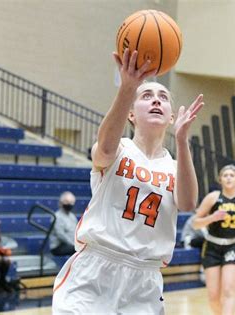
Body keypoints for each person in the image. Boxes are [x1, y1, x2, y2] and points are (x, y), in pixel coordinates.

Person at [52, 48, 203, 314]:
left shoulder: (174, 166)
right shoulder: (118, 149)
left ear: (171, 117)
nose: (156, 100)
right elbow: (104, 152)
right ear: (131, 114)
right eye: (146, 96)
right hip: (95, 269)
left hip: (144, 279)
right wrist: (127, 88)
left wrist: (182, 140)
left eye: (163, 97)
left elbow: (189, 202)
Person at [192, 164, 235, 315]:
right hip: (212, 247)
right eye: (225, 175)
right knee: (213, 296)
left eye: (232, 175)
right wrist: (212, 217)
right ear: (220, 180)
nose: (228, 178)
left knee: (228, 291)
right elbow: (195, 223)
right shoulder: (213, 197)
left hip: (234, 246)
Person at [49, 191, 78, 256]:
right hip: (58, 247)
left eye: (71, 202)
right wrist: (73, 244)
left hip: (71, 244)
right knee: (77, 249)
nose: (69, 204)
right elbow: (60, 234)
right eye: (67, 202)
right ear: (61, 203)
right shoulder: (56, 216)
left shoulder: (72, 216)